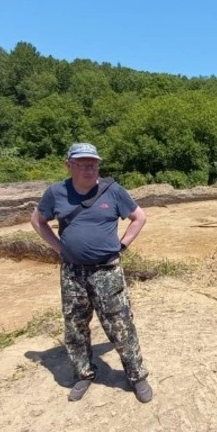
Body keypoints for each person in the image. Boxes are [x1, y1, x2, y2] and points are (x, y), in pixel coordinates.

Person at [30, 142, 153, 403]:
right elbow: (38, 221)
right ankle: (84, 374)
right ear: (69, 165)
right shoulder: (56, 193)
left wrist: (122, 246)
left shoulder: (113, 191)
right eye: (83, 163)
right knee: (75, 326)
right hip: (73, 272)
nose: (89, 168)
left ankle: (136, 375)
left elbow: (139, 217)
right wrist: (59, 247)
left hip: (107, 270)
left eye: (93, 163)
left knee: (120, 325)